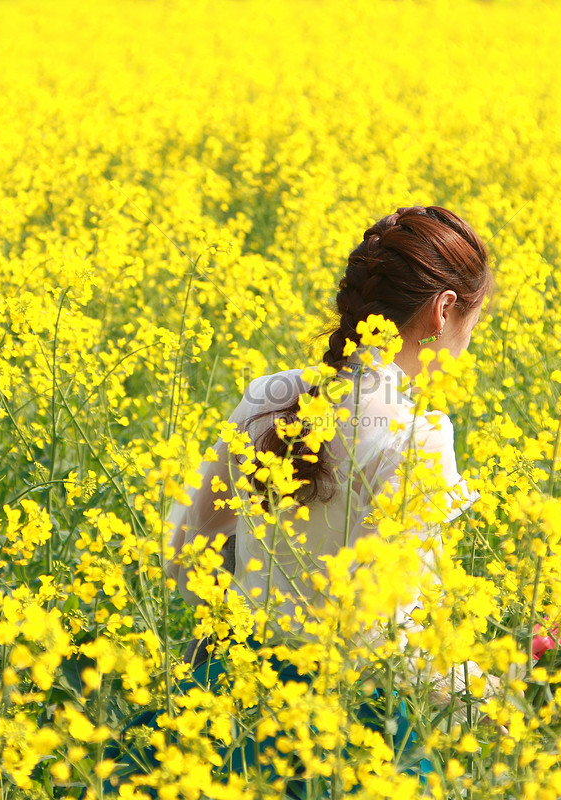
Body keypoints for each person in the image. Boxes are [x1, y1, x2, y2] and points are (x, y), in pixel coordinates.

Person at [115, 206, 509, 795]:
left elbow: (180, 552)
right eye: (476, 320)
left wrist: (255, 624)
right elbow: (389, 628)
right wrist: (487, 693)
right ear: (444, 308)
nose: (471, 339)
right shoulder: (418, 435)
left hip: (234, 716)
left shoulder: (266, 397)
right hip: (348, 732)